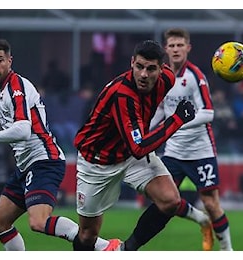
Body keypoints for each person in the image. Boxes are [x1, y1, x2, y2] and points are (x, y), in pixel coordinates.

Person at [0, 39, 111, 251]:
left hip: (44, 161)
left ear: (9, 61)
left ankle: (104, 247)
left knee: (38, 222)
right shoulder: (1, 91)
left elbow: (23, 131)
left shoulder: (16, 87)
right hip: (26, 166)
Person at [72, 39, 202, 251]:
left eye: (151, 69)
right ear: (132, 63)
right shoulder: (123, 94)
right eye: (139, 66)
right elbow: (139, 148)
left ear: (162, 69)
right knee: (87, 236)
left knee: (170, 200)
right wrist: (176, 120)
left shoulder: (168, 79)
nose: (143, 74)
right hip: (97, 162)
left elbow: (137, 147)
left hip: (129, 156)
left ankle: (126, 250)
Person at [148, 28, 233, 251]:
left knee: (211, 204)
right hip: (173, 152)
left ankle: (227, 250)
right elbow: (160, 110)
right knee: (162, 200)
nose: (176, 49)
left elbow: (209, 113)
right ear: (166, 49)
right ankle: (199, 219)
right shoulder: (162, 76)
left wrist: (176, 122)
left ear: (188, 48)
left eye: (180, 45)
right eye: (172, 45)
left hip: (200, 151)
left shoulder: (195, 76)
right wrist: (144, 131)